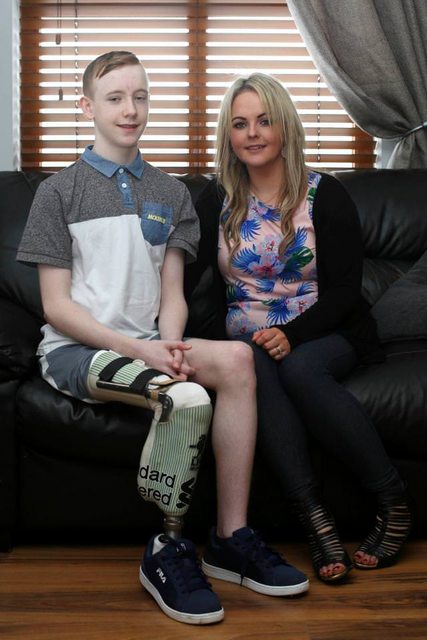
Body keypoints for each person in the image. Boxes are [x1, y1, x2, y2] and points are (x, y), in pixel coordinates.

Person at [16, 53, 309, 625]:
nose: (130, 110)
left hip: (151, 344)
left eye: (141, 96)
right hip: (77, 352)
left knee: (239, 361)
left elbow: (173, 293)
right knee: (188, 396)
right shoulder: (57, 193)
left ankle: (230, 538)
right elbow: (57, 308)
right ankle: (168, 549)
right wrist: (144, 352)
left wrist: (169, 344)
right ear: (87, 107)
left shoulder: (172, 193)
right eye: (115, 98)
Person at [186, 72, 412, 584]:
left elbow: (345, 290)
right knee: (254, 367)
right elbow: (183, 275)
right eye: (240, 124)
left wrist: (292, 334)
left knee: (300, 370)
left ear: (285, 125)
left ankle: (393, 500)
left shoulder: (324, 194)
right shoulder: (216, 199)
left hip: (326, 331)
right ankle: (315, 519)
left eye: (264, 120)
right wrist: (156, 334)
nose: (253, 133)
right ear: (228, 135)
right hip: (248, 340)